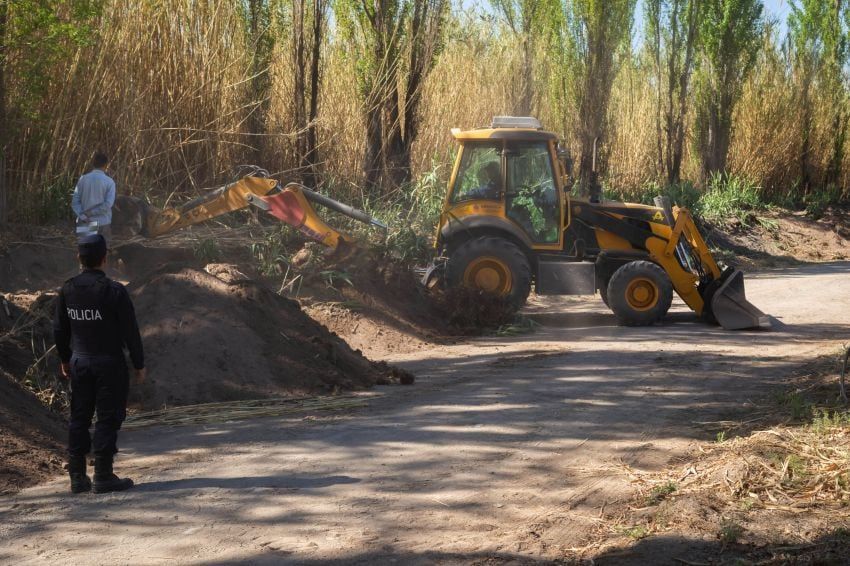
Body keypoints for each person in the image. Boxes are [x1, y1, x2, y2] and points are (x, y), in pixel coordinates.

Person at [53, 234, 145, 494]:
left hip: (80, 362)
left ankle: (77, 477)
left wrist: (64, 359)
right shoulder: (114, 291)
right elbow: (131, 332)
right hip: (109, 364)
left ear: (78, 258)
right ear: (105, 258)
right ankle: (103, 474)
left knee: (79, 417)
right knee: (107, 416)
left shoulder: (68, 289)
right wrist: (139, 363)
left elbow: (60, 329)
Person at [72, 152, 116, 243]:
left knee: (86, 253)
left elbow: (75, 202)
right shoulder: (109, 182)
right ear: (106, 165)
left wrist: (83, 216)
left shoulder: (83, 179)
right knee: (102, 253)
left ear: (93, 164)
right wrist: (92, 212)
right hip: (103, 223)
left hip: (86, 222)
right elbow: (108, 204)